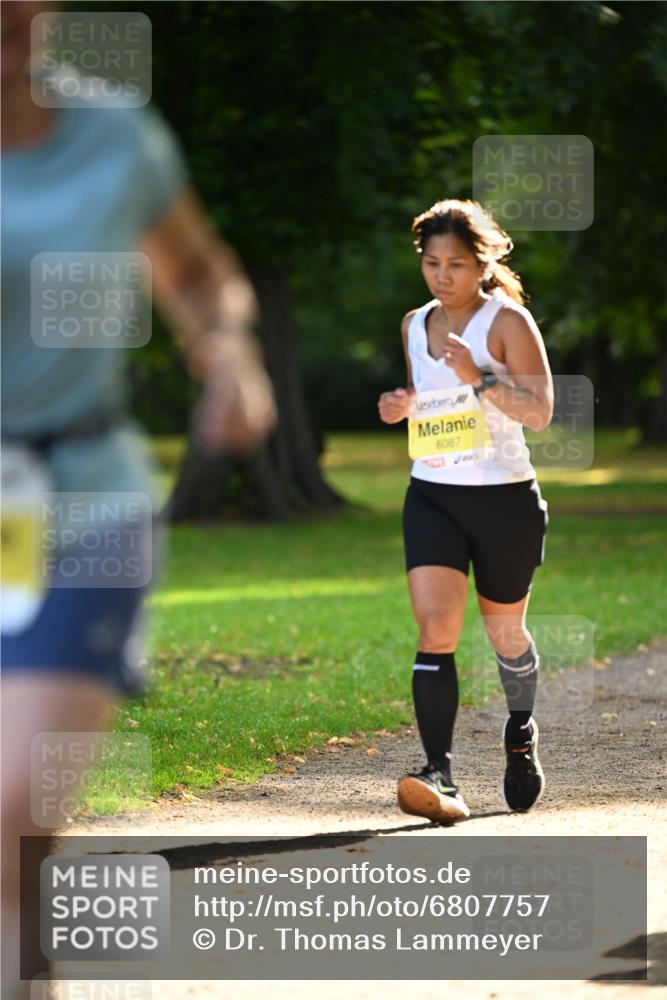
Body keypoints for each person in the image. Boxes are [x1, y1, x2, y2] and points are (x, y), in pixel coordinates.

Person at [1, 3, 275, 995]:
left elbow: (201, 275)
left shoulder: (114, 134)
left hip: (81, 497)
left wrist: (228, 352)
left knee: (16, 796)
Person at [378, 199, 553, 824]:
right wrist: (402, 405)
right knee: (436, 631)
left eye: (455, 263)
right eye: (432, 263)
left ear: (482, 263)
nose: (442, 275)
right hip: (432, 493)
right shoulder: (413, 324)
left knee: (505, 634)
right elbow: (428, 401)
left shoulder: (506, 323)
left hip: (504, 498)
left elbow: (540, 412)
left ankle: (520, 731)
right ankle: (440, 773)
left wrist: (478, 375)